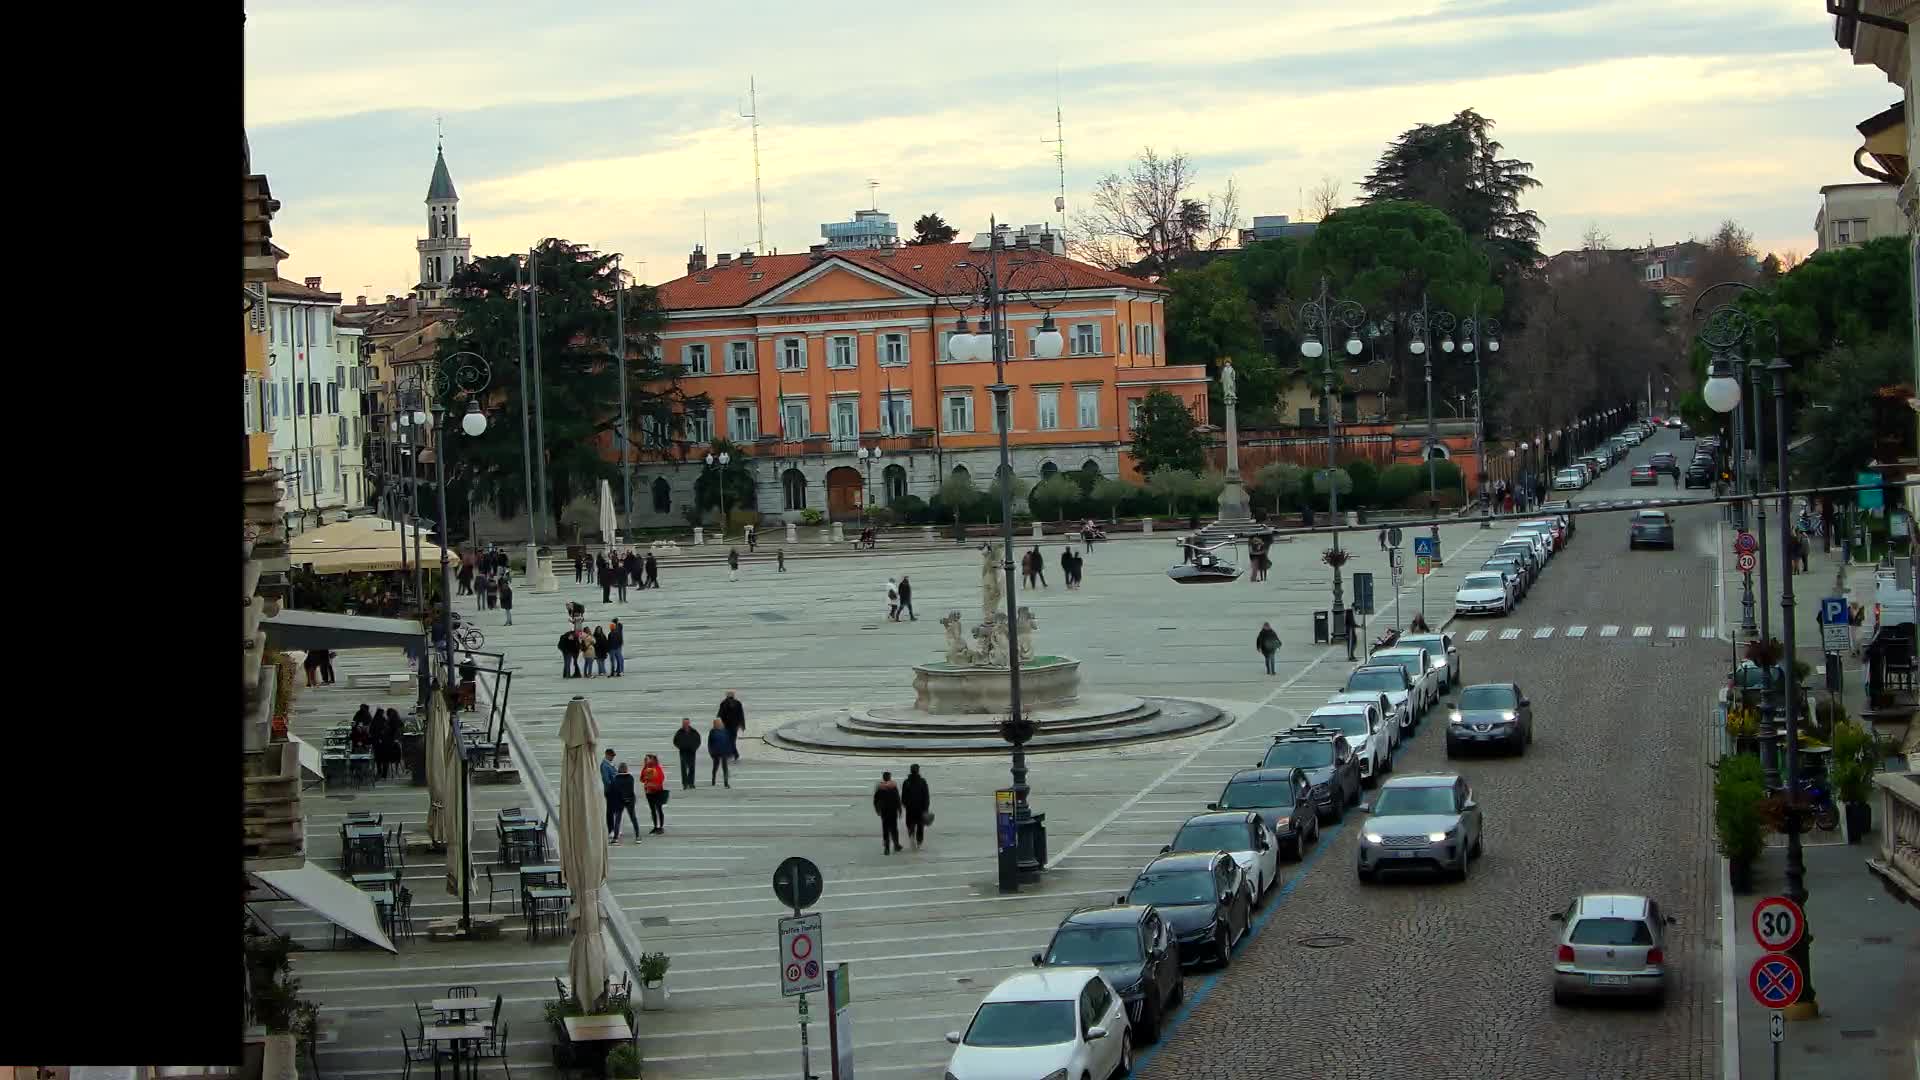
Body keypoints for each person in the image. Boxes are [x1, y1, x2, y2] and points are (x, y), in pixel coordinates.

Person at [902, 764, 931, 850]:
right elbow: (926, 796)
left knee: (910, 825)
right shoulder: (922, 782)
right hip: (920, 809)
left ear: (911, 771)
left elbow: (903, 797)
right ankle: (918, 842)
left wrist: (906, 805)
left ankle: (912, 838)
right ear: (918, 771)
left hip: (910, 809)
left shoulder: (906, 782)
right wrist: (926, 808)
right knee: (920, 826)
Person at [609, 762, 640, 845]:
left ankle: (615, 838)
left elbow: (614, 790)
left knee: (618, 819)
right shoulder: (630, 777)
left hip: (619, 801)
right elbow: (631, 789)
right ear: (626, 769)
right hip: (630, 799)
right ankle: (637, 836)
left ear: (619, 769)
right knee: (633, 818)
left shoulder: (616, 778)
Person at [873, 771, 903, 855]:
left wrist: (877, 810)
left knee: (885, 829)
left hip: (884, 811)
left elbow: (876, 800)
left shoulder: (879, 787)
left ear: (883, 778)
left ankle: (887, 848)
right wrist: (900, 809)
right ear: (889, 778)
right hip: (893, 811)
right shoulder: (893, 786)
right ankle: (896, 845)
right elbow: (897, 799)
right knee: (894, 829)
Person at [640, 754, 667, 834]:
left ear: (652, 760)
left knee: (659, 809)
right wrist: (646, 779)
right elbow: (641, 779)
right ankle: (655, 826)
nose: (645, 760)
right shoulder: (646, 768)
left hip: (657, 791)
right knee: (653, 810)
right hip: (649, 792)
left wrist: (651, 781)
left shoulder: (657, 768)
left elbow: (661, 778)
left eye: (647, 759)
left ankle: (661, 827)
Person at [672, 718, 701, 789]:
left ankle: (691, 783)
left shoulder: (694, 731)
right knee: (684, 768)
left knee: (692, 767)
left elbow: (698, 740)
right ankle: (685, 783)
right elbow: (675, 741)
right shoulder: (679, 732)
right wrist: (680, 747)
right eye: (684, 723)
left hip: (692, 752)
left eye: (687, 723)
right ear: (682, 724)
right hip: (683, 752)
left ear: (689, 723)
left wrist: (695, 748)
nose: (685, 724)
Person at [718, 691, 746, 762]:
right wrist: (742, 725)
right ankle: (732, 754)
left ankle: (733, 754)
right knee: (731, 740)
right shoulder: (736, 703)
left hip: (728, 725)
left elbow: (719, 715)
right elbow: (741, 715)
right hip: (733, 725)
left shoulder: (724, 703)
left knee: (729, 740)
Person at [707, 718, 733, 787]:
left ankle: (726, 782)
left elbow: (729, 741)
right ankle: (713, 779)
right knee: (715, 766)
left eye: (719, 723)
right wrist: (711, 753)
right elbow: (709, 743)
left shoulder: (725, 731)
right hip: (715, 752)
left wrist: (730, 751)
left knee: (725, 768)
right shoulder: (712, 732)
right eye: (716, 723)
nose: (718, 724)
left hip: (724, 752)